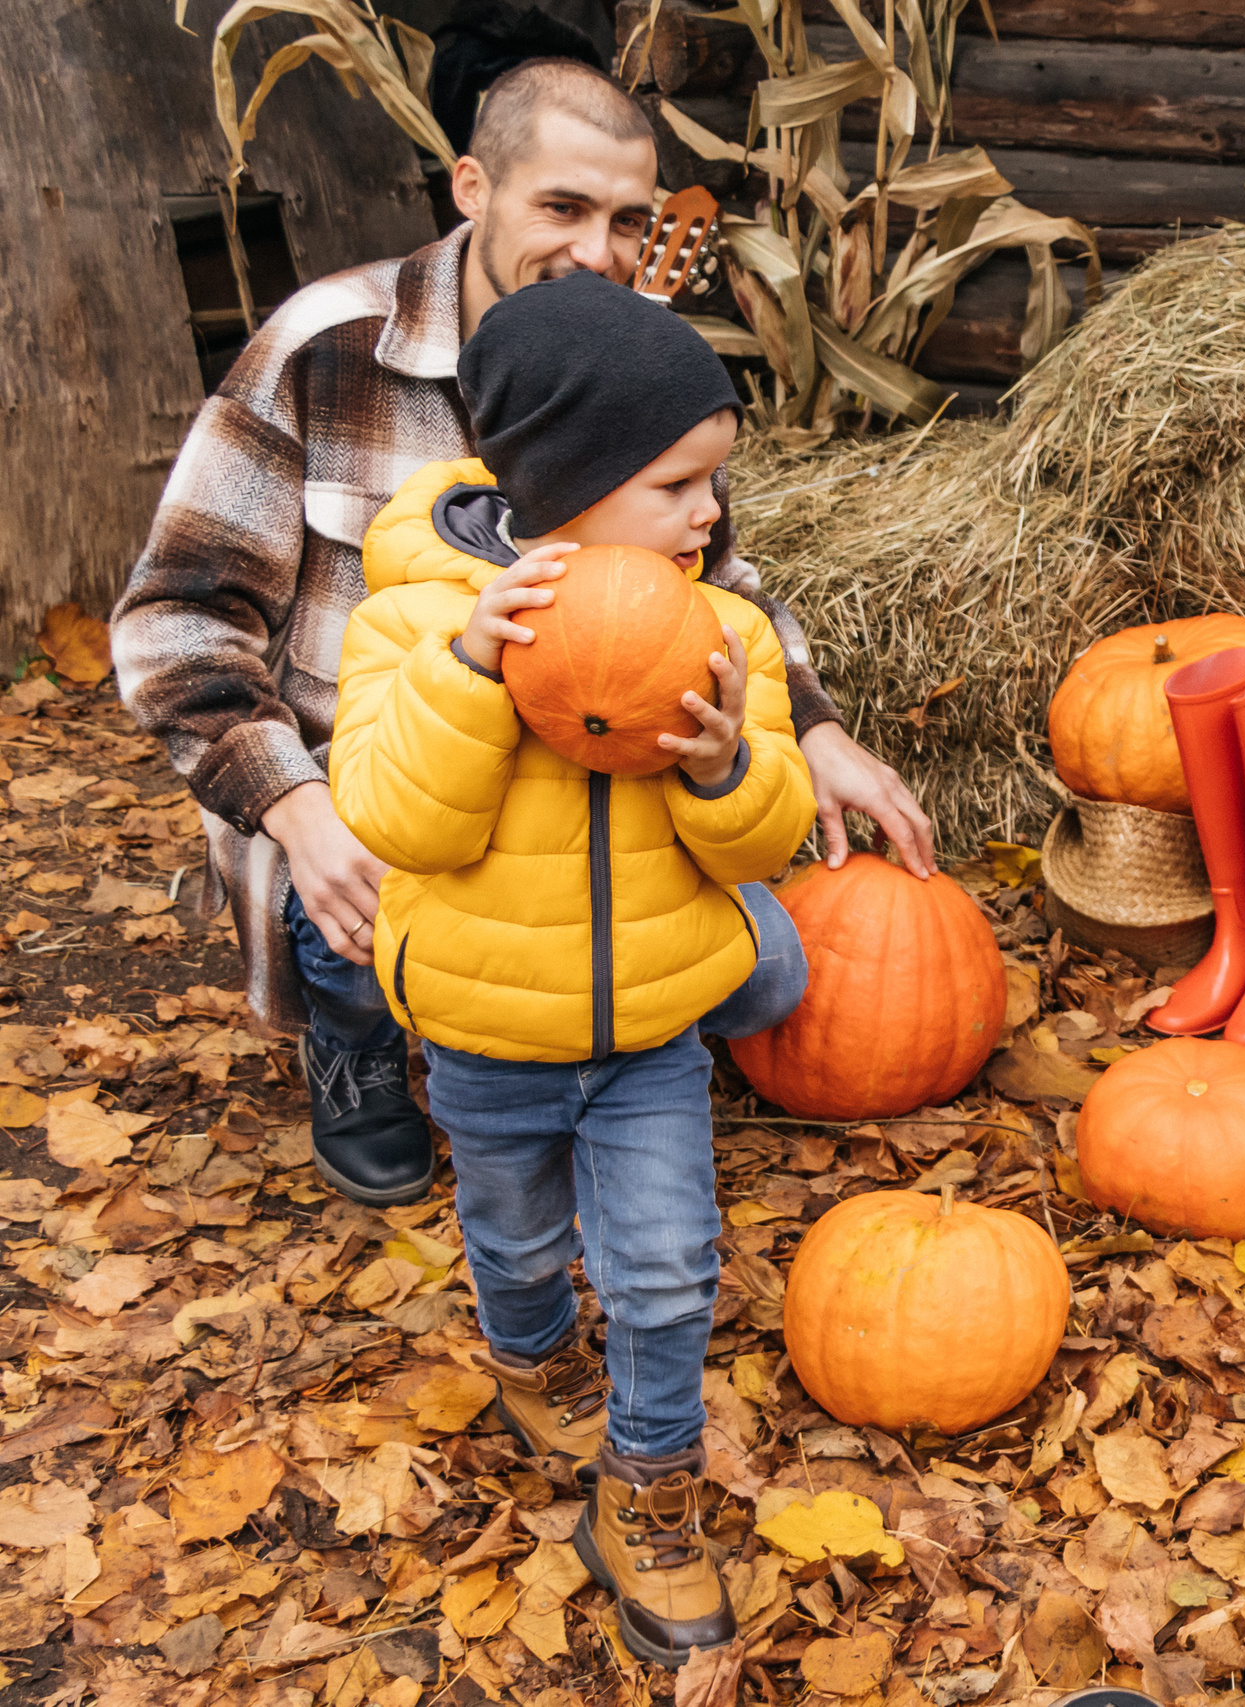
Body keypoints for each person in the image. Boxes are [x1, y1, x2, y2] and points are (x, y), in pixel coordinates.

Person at [112, 57, 934, 1211]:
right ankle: (351, 1037)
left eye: (629, 221)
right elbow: (175, 619)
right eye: (562, 207)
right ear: (471, 187)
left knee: (777, 974)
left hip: (595, 781)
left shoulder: (630, 361)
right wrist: (294, 810)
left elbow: (717, 583)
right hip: (380, 785)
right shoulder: (324, 347)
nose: (600, 254)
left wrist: (815, 723)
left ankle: (594, 1017)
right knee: (367, 869)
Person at [334, 271, 810, 1667]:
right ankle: (532, 1354)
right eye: (676, 486)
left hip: (651, 1029)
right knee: (519, 1238)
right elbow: (397, 819)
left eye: (713, 483)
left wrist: (728, 764)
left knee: (666, 1270)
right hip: (484, 1030)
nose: (708, 514)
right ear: (566, 481)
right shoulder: (413, 623)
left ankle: (649, 1488)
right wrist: (475, 677)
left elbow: (761, 843)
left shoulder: (722, 633)